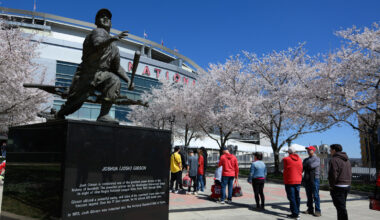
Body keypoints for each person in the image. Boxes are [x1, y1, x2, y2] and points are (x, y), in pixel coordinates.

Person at [55, 8, 132, 123]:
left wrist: (128, 79)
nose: (105, 18)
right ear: (96, 21)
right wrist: (112, 38)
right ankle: (59, 113)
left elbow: (116, 68)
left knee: (114, 80)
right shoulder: (97, 32)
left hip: (101, 75)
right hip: (87, 74)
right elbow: (97, 44)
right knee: (75, 103)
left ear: (111, 23)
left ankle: (104, 115)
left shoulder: (114, 48)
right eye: (102, 16)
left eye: (108, 17)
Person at [328, 144, 352, 220]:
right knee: (342, 207)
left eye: (330, 150)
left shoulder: (334, 160)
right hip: (347, 185)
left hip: (338, 186)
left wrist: (331, 185)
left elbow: (333, 174)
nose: (329, 152)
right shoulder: (347, 159)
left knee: (341, 208)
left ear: (334, 150)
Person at [283, 146, 303, 219]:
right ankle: (297, 211)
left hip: (289, 180)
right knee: (297, 197)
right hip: (298, 180)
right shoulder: (300, 159)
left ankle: (295, 213)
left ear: (288, 152)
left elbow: (284, 169)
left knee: (291, 197)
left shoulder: (286, 159)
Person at [302, 146, 321, 217]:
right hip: (307, 179)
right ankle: (310, 209)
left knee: (316, 195)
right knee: (308, 195)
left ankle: (318, 210)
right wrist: (305, 166)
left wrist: (305, 166)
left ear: (313, 150)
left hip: (315, 179)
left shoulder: (317, 159)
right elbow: (302, 168)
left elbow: (311, 166)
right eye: (307, 150)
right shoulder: (305, 159)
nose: (308, 151)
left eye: (309, 150)